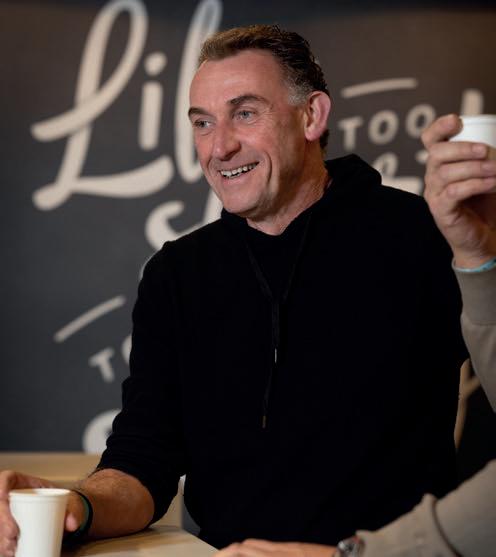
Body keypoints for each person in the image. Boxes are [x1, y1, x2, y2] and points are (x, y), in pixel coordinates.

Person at [1, 24, 495, 557]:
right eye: (202, 123)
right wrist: (77, 505)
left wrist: (480, 254)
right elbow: (143, 461)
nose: (220, 146)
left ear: (312, 116)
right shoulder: (177, 274)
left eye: (245, 113)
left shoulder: (429, 236)